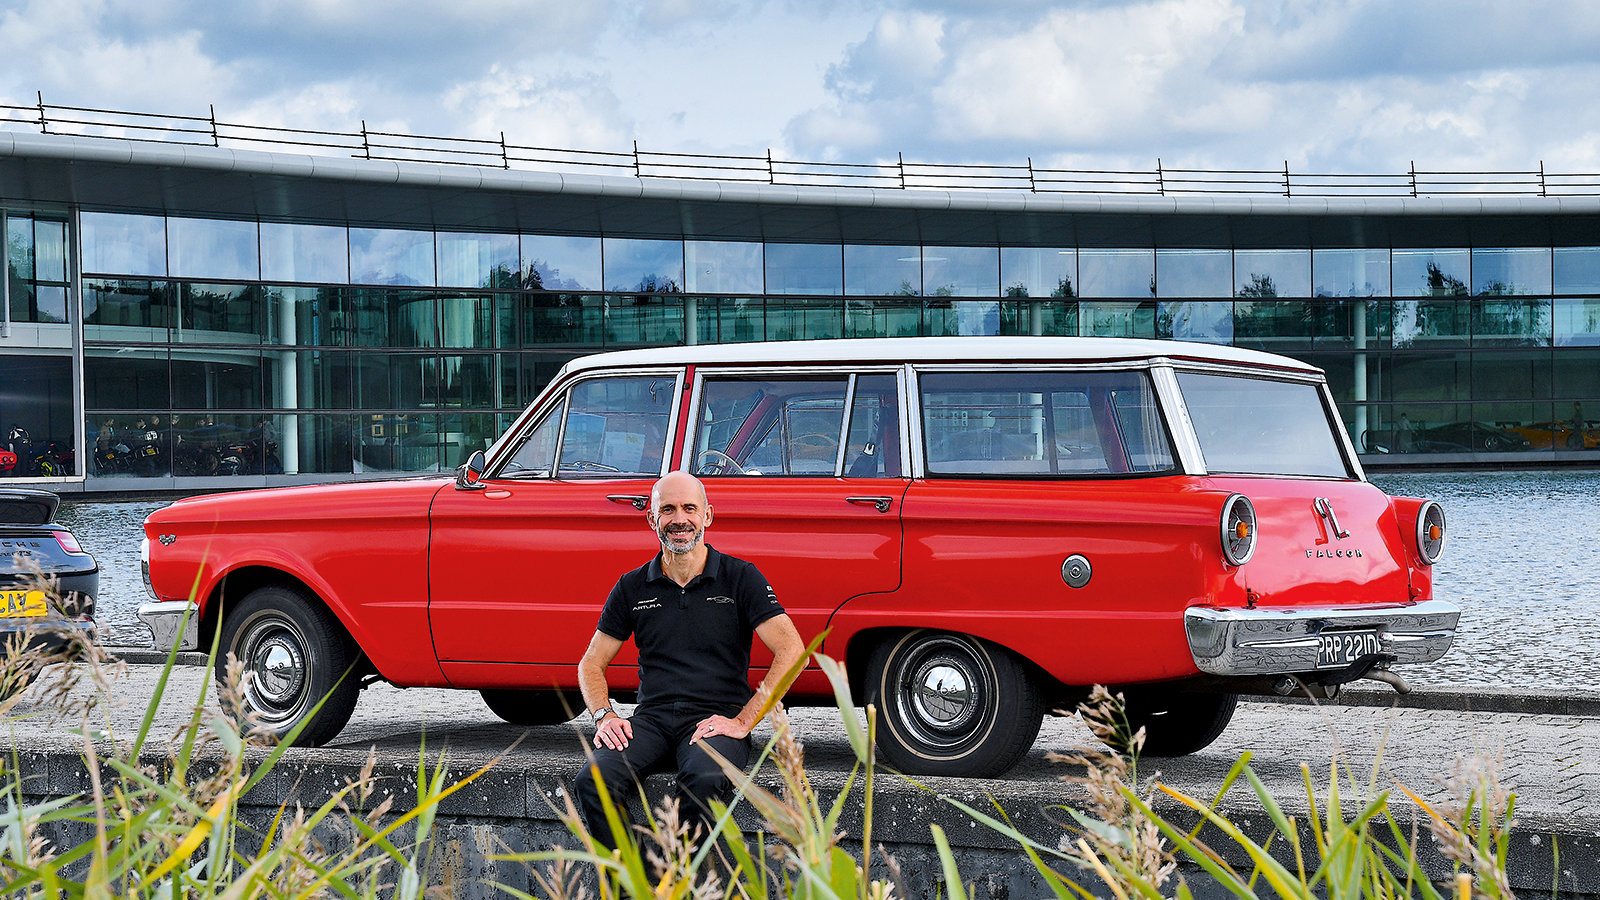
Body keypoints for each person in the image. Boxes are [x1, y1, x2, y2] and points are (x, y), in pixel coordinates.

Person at [572, 471, 805, 847]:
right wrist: (605, 715)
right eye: (667, 509)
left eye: (689, 508)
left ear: (708, 516)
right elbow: (591, 664)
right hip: (652, 720)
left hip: (717, 719)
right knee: (592, 781)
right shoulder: (632, 586)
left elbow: (793, 651)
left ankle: (681, 883)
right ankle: (637, 887)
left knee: (704, 781)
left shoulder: (740, 577)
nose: (679, 519)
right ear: (652, 519)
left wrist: (744, 721)